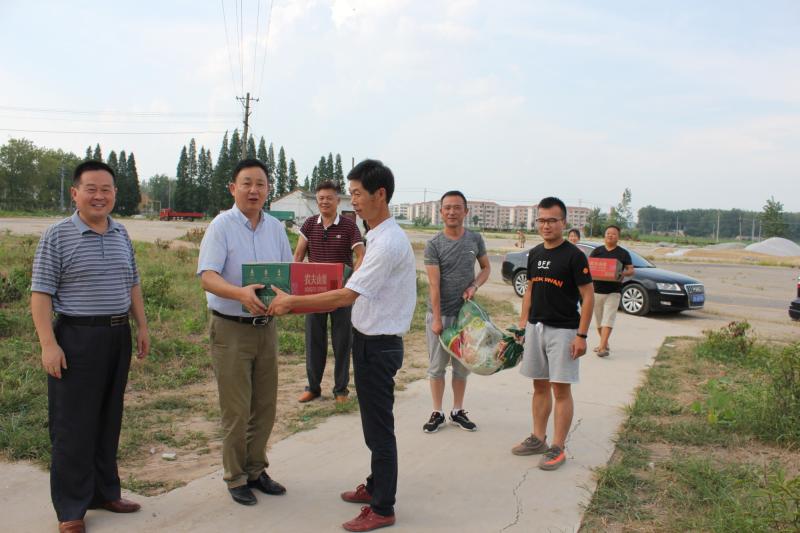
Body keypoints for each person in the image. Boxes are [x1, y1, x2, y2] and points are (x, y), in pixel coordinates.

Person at [268, 159, 416, 532]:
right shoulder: (377, 235)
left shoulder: (387, 243)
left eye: (357, 194)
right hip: (370, 341)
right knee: (373, 426)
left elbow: (347, 295)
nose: (353, 201)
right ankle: (375, 485)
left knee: (379, 430)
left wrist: (292, 303)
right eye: (350, 194)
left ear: (380, 194)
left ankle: (382, 507)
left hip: (379, 346)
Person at [31, 160, 150, 533]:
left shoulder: (121, 232)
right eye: (91, 189)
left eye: (106, 189)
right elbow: (41, 294)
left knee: (108, 419)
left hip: (117, 336)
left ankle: (105, 492)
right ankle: (71, 509)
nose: (99, 196)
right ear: (75, 193)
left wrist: (142, 326)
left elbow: (132, 282)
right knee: (73, 425)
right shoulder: (57, 235)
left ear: (115, 194)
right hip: (76, 338)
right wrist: (49, 345)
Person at [197, 158, 292, 506]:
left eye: (261, 184)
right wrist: (240, 294)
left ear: (268, 190)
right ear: (233, 188)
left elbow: (288, 272)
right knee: (236, 409)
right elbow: (207, 276)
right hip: (231, 329)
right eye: (247, 183)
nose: (254, 190)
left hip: (266, 328)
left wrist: (289, 298)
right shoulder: (221, 226)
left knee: (264, 406)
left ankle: (256, 470)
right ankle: (235, 476)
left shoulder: (275, 228)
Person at [512, 197, 594, 471]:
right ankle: (538, 438)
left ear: (564, 222)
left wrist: (582, 335)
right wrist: (522, 324)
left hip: (564, 331)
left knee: (560, 389)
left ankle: (557, 447)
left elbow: (588, 296)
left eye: (552, 220)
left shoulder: (574, 256)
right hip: (536, 328)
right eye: (542, 220)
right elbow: (530, 290)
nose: (546, 225)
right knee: (539, 386)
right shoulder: (535, 253)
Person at [422, 191, 490, 433]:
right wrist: (437, 319)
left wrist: (474, 286)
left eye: (457, 207)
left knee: (462, 367)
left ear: (465, 211)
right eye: (447, 207)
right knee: (437, 367)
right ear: (441, 212)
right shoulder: (433, 244)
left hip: (466, 318)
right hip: (440, 315)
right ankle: (437, 412)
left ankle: (457, 410)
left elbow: (485, 268)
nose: (452, 212)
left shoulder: (475, 239)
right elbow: (434, 284)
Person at [293, 180, 365, 404]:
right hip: (314, 293)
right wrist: (296, 284)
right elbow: (298, 255)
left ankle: (341, 390)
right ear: (317, 201)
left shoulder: (349, 226)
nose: (324, 202)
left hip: (341, 295)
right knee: (314, 342)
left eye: (329, 198)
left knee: (342, 343)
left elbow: (361, 255)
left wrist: (352, 280)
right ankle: (313, 388)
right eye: (321, 198)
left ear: (338, 200)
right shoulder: (309, 224)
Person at [589, 225, 634, 357]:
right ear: (604, 235)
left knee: (608, 319)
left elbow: (631, 270)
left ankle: (602, 348)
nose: (610, 235)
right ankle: (604, 343)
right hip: (597, 291)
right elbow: (590, 266)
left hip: (614, 291)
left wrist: (622, 273)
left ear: (618, 237)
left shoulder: (623, 253)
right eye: (608, 233)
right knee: (599, 321)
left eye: (613, 234)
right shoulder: (597, 251)